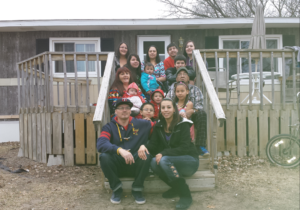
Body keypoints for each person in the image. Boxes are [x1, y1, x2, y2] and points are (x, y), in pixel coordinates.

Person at [138, 98, 199, 210]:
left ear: (174, 109)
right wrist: (143, 146)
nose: (166, 110)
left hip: (189, 162)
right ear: (160, 110)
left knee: (164, 159)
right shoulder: (159, 125)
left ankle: (185, 195)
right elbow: (153, 144)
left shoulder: (183, 124)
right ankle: (176, 187)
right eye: (163, 107)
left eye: (169, 107)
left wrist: (163, 153)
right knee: (153, 162)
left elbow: (185, 148)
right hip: (170, 163)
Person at [97, 98, 155, 205]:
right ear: (115, 111)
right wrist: (119, 150)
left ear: (130, 111)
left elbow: (161, 130)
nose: (124, 110)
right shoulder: (109, 127)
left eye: (127, 108)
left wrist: (145, 145)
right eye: (121, 108)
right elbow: (101, 144)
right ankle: (116, 188)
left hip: (136, 164)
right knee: (104, 156)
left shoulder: (143, 124)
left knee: (146, 154)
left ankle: (137, 189)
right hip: (117, 165)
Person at [166, 67, 209, 157]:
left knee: (202, 113)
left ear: (188, 78)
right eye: (179, 74)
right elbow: (167, 103)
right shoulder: (172, 90)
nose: (182, 76)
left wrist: (190, 111)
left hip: (192, 115)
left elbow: (199, 106)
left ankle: (200, 146)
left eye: (184, 74)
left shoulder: (195, 89)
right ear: (176, 78)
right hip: (176, 114)